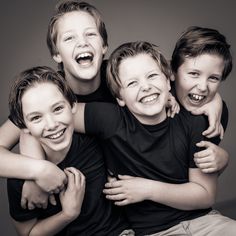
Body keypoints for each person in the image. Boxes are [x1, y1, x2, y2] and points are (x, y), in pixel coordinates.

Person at [72, 41, 236, 235]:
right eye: (132, 83)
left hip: (206, 223)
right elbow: (52, 116)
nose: (146, 87)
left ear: (168, 81)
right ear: (120, 97)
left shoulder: (196, 120)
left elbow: (205, 195)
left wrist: (146, 189)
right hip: (154, 232)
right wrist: (37, 170)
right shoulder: (110, 120)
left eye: (152, 76)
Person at [7, 66, 133, 236]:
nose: (51, 125)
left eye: (58, 109)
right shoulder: (20, 180)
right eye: (36, 118)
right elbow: (28, 233)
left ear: (73, 105)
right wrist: (68, 214)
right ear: (24, 126)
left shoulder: (96, 141)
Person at [170, 26, 232, 173]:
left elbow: (200, 182)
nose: (203, 87)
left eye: (213, 78)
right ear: (172, 72)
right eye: (194, 74)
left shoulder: (212, 117)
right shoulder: (154, 94)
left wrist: (223, 160)